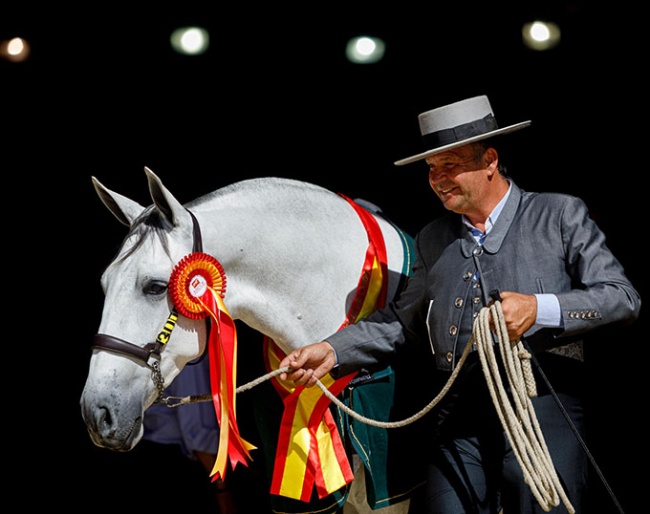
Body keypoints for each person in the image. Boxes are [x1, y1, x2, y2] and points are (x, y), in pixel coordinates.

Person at [279, 95, 641, 514]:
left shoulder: (558, 214)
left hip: (542, 405)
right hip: (459, 414)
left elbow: (622, 298)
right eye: (432, 169)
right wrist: (332, 350)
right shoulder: (433, 238)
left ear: (490, 160)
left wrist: (538, 309)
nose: (437, 178)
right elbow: (402, 323)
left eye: (449, 165)